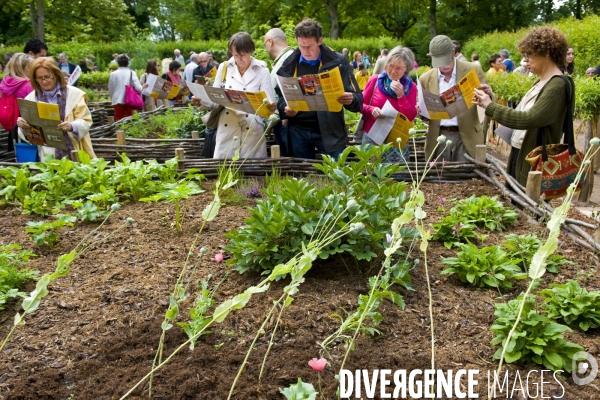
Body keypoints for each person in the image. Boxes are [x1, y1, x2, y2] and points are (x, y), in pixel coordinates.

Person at [473, 26, 574, 187]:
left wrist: (490, 106)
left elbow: (529, 118)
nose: (525, 60)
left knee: (526, 207)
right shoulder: (541, 82)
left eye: (529, 54)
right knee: (516, 201)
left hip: (535, 160)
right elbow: (520, 112)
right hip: (522, 153)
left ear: (546, 53)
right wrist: (490, 98)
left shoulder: (557, 85)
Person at [276, 18, 362, 159]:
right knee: (302, 177)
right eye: (301, 46)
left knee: (338, 175)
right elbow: (280, 97)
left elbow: (358, 99)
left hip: (331, 131)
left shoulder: (338, 62)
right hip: (298, 130)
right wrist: (286, 108)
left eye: (310, 46)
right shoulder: (289, 63)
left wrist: (351, 98)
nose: (305, 51)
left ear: (320, 41)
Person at [200, 32, 275, 159]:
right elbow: (215, 99)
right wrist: (201, 101)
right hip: (228, 125)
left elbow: (268, 100)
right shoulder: (224, 68)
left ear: (251, 51)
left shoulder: (262, 70)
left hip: (251, 127)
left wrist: (270, 107)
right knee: (225, 169)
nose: (239, 59)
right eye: (235, 55)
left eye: (243, 55)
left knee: (252, 172)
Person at [420, 35, 491, 162]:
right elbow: (423, 114)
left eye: (447, 59)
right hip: (438, 137)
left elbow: (490, 102)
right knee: (439, 179)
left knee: (468, 178)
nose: (444, 64)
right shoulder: (425, 79)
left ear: (453, 53)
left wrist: (488, 94)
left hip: (467, 136)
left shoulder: (472, 70)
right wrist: (421, 111)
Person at [16, 57, 95, 160]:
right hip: (46, 154)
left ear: (56, 75)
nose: (44, 81)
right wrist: (22, 126)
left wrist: (71, 126)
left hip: (73, 150)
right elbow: (28, 136)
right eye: (40, 78)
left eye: (47, 77)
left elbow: (86, 121)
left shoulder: (74, 95)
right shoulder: (31, 98)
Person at [360, 46, 418, 164]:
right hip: (373, 135)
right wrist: (371, 109)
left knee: (396, 177)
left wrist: (401, 96)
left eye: (399, 68)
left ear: (406, 69)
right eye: (391, 66)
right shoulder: (375, 81)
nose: (393, 71)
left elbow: (410, 116)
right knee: (371, 175)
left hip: (397, 139)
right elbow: (360, 105)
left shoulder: (411, 88)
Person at [264, 27, 295, 157]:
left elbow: (292, 89)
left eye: (265, 44)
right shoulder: (283, 60)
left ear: (270, 42)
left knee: (288, 161)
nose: (265, 49)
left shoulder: (289, 59)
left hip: (286, 121)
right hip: (280, 120)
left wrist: (285, 116)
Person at [0, 53, 34, 152]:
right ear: (24, 68)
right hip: (26, 130)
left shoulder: (5, 83)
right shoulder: (28, 85)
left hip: (12, 130)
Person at [108, 54, 143, 121]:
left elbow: (111, 89)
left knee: (119, 122)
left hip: (117, 101)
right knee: (132, 122)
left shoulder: (113, 74)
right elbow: (138, 88)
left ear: (118, 63)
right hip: (131, 101)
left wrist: (113, 99)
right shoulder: (132, 73)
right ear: (128, 63)